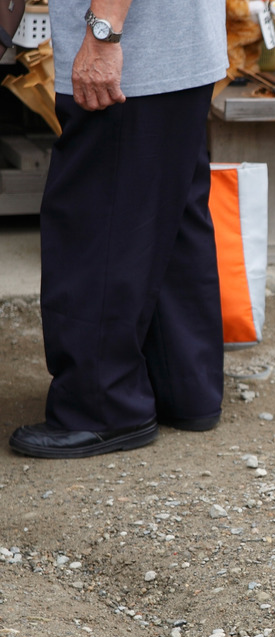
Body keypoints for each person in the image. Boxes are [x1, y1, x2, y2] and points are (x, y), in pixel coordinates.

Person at [8, 1, 229, 458]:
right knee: (169, 222)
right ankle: (184, 387)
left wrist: (105, 34)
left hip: (132, 52)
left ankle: (102, 406)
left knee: (97, 223)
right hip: (175, 45)